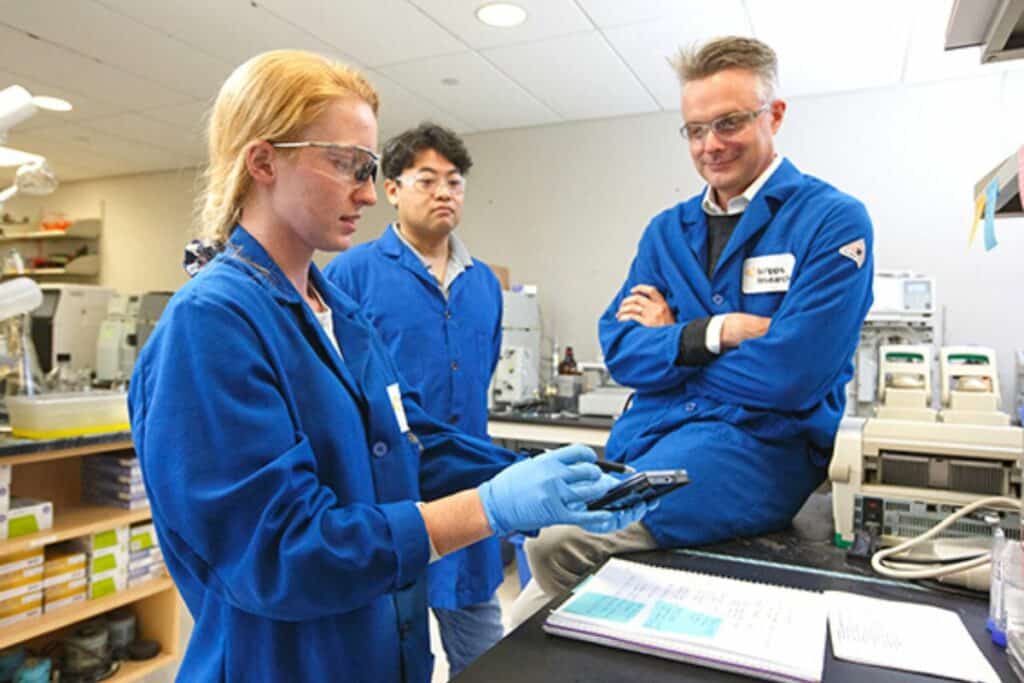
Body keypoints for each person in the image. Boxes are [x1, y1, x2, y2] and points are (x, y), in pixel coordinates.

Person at [127, 50, 651, 682]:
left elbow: (407, 444)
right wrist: (489, 508)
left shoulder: (340, 312)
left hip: (382, 652)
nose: (369, 193)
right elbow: (281, 554)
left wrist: (543, 476)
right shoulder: (212, 324)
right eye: (345, 164)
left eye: (369, 168)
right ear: (263, 162)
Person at [508, 36, 874, 628]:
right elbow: (621, 351)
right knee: (539, 531)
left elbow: (793, 374)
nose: (710, 145)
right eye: (695, 130)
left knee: (559, 543)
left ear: (775, 115)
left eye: (729, 123)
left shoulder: (831, 221)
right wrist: (714, 333)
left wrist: (673, 347)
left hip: (760, 452)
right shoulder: (666, 232)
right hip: (650, 441)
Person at [324, 123, 504, 676]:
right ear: (392, 189)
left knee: (485, 657)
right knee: (385, 656)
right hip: (384, 498)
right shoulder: (349, 274)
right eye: (427, 180)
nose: (444, 192)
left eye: (454, 181)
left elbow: (482, 373)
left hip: (467, 493)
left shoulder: (484, 284)